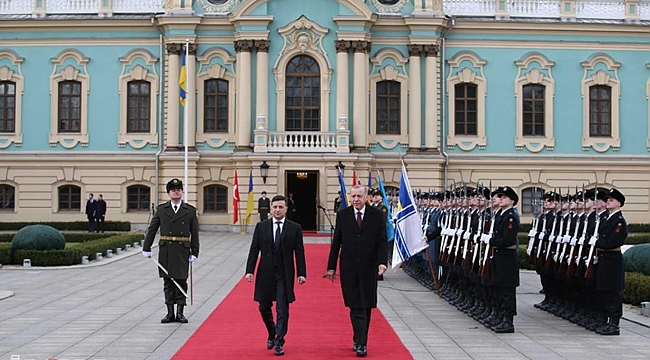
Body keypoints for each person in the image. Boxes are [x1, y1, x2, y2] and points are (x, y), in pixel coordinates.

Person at [326, 185, 388, 357]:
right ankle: (361, 342)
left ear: (366, 196)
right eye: (353, 196)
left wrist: (382, 262)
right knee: (355, 305)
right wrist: (331, 267)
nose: (356, 199)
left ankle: (359, 338)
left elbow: (382, 241)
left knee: (366, 305)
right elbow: (336, 241)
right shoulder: (343, 215)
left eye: (359, 196)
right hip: (349, 267)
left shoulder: (376, 215)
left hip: (369, 267)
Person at [246, 195, 307, 356]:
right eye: (275, 207)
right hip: (265, 272)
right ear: (271, 208)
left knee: (282, 308)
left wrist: (302, 273)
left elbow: (299, 252)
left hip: (284, 273)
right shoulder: (261, 227)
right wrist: (249, 270)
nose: (277, 210)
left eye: (281, 207)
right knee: (263, 307)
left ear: (286, 209)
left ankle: (279, 341)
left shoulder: (295, 228)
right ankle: (272, 332)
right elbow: (254, 250)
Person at [142, 178, 200, 324]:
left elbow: (195, 233)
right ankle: (170, 313)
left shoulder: (190, 211)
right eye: (173, 190)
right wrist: (146, 248)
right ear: (169, 193)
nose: (176, 192)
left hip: (182, 250)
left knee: (181, 280)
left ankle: (180, 312)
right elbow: (152, 229)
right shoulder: (162, 210)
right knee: (168, 281)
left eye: (179, 190)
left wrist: (194, 252)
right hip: (166, 250)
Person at [593, 188, 627, 336]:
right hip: (604, 258)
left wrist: (597, 242)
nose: (608, 202)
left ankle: (614, 324)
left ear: (619, 203)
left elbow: (613, 241)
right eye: (607, 200)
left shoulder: (619, 221)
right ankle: (607, 321)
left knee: (613, 293)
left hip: (613, 260)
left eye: (611, 200)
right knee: (605, 291)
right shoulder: (607, 218)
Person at [487, 186, 520, 333]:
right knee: (498, 289)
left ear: (512, 201)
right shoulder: (500, 215)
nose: (500, 199)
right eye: (499, 197)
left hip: (507, 257)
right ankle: (500, 316)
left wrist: (491, 241)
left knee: (507, 291)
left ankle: (508, 321)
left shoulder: (511, 216)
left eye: (504, 197)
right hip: (498, 256)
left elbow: (508, 239)